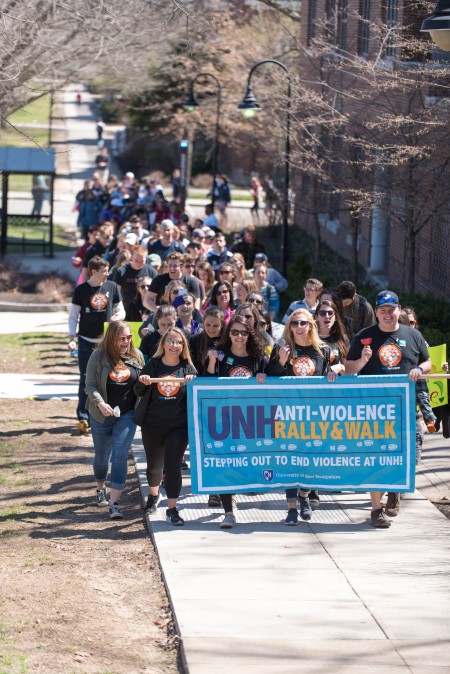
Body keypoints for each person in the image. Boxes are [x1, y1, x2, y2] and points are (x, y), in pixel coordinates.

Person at [345, 290, 431, 528]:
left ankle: (394, 490)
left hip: (405, 410)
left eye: (391, 309)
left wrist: (420, 370)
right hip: (375, 413)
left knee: (407, 458)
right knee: (377, 460)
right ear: (377, 312)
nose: (387, 314)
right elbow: (349, 369)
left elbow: (428, 360)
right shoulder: (365, 336)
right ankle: (376, 509)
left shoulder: (412, 334)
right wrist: (362, 360)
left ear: (398, 310)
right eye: (382, 310)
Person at [266, 309, 337, 524]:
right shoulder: (282, 347)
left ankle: (304, 497)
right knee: (289, 459)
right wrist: (280, 361)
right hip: (287, 412)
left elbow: (336, 370)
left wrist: (335, 372)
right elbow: (269, 375)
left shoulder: (323, 350)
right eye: (294, 323)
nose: (298, 326)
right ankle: (290, 508)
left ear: (311, 325)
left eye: (303, 323)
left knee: (311, 458)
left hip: (314, 414)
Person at [205, 315, 267, 528]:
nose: (239, 336)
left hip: (252, 418)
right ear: (228, 334)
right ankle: (229, 511)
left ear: (250, 334)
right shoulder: (221, 356)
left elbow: (274, 378)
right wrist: (212, 362)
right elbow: (208, 383)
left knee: (246, 462)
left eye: (243, 332)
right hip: (224, 417)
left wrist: (263, 377)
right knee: (225, 462)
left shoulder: (259, 356)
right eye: (235, 332)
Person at [134, 328, 197, 526]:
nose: (174, 345)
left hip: (178, 426)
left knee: (173, 467)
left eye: (178, 342)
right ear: (164, 344)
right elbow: (138, 390)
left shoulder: (188, 369)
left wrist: (192, 383)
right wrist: (143, 381)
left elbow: (198, 394)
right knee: (154, 465)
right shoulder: (153, 365)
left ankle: (172, 508)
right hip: (152, 424)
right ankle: (153, 496)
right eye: (170, 341)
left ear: (183, 346)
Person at [85, 321, 144, 519]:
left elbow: (144, 384)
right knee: (102, 456)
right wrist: (100, 403)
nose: (126, 342)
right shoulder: (98, 356)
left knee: (120, 452)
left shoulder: (137, 356)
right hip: (101, 414)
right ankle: (100, 487)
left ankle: (114, 503)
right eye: (121, 338)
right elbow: (90, 385)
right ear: (111, 338)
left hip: (127, 414)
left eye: (128, 337)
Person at [68, 256, 125, 434]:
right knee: (86, 378)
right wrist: (71, 337)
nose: (107, 273)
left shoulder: (112, 287)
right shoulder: (81, 290)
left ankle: (104, 415)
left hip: (106, 341)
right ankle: (83, 417)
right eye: (104, 271)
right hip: (86, 340)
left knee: (108, 377)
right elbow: (73, 316)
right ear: (94, 271)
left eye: (108, 270)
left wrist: (118, 317)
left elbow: (120, 308)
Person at [114, 245, 157, 314]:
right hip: (126, 308)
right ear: (131, 257)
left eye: (142, 261)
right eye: (136, 260)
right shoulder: (121, 271)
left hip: (146, 309)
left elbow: (157, 291)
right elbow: (116, 292)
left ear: (146, 258)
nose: (139, 263)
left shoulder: (151, 271)